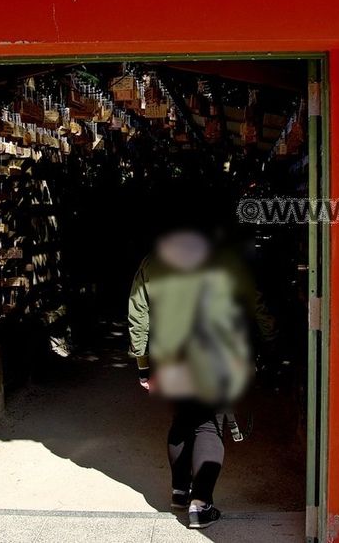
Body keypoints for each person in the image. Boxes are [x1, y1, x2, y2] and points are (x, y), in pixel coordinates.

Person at [127, 207, 275, 529]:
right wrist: (271, 340)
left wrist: (143, 364)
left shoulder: (153, 262)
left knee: (182, 421)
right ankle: (201, 504)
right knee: (208, 425)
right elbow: (256, 304)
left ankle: (180, 493)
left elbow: (138, 314)